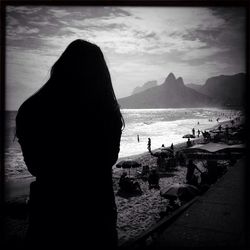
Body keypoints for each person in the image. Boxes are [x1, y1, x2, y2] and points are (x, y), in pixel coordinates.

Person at [15, 40, 124, 249]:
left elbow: (34, 166)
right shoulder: (106, 112)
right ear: (100, 74)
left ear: (61, 67)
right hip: (96, 213)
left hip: (49, 216)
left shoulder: (31, 110)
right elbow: (109, 159)